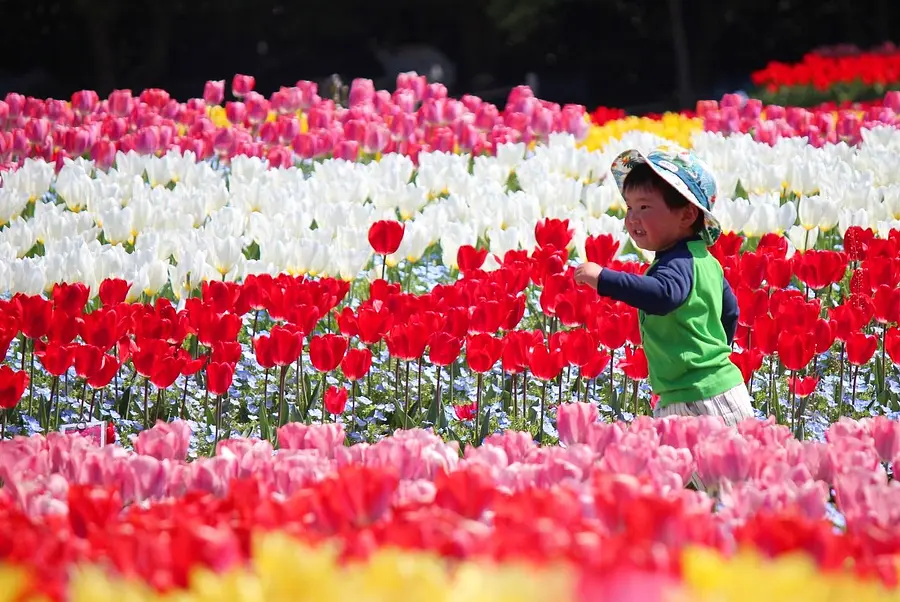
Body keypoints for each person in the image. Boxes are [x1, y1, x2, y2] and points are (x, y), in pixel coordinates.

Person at [574, 144, 755, 428]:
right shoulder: (705, 261)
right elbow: (730, 313)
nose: (632, 217)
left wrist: (604, 278)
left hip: (699, 398)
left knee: (707, 471)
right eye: (630, 207)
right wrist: (716, 355)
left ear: (686, 215)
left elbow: (661, 295)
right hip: (709, 390)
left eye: (644, 206)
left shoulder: (677, 264)